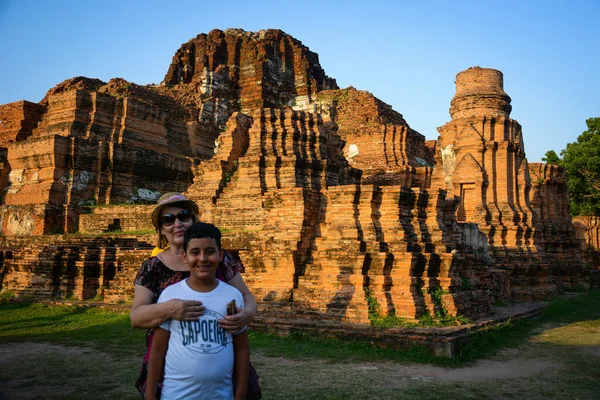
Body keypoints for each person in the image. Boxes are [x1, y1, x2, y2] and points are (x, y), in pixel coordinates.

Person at [131, 192, 258, 398]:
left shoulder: (221, 260)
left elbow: (245, 296)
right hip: (171, 364)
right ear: (161, 229)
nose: (178, 223)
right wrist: (171, 309)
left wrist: (247, 313)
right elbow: (136, 317)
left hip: (221, 360)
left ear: (193, 219)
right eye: (168, 219)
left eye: (184, 216)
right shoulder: (153, 267)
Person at [146, 222, 249, 400]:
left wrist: (239, 395)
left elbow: (242, 350)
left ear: (220, 254)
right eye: (195, 252)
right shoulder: (171, 294)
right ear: (185, 257)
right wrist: (149, 394)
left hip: (221, 395)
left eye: (210, 251)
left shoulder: (232, 296)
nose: (202, 259)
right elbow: (157, 349)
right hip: (176, 395)